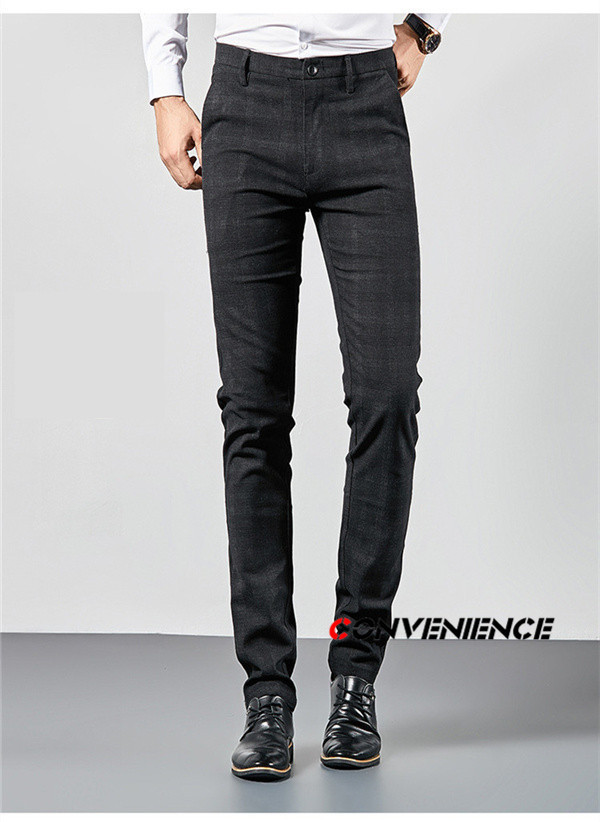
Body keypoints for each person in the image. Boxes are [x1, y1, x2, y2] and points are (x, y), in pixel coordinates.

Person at [141, 12, 449, 781]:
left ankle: (354, 675)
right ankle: (267, 694)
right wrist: (164, 86)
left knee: (388, 395)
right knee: (253, 412)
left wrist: (423, 25)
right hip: (247, 99)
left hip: (364, 101)